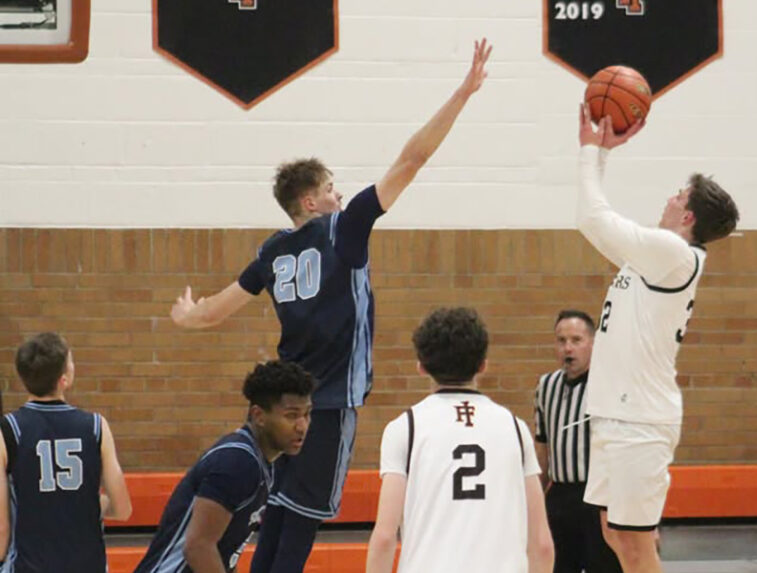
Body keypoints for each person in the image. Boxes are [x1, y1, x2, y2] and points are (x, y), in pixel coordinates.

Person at [168, 38, 493, 573]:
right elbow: (412, 159)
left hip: (279, 404)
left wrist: (187, 315)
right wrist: (462, 93)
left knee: (270, 516)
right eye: (332, 189)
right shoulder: (342, 230)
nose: (340, 196)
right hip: (326, 401)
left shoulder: (271, 251)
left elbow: (215, 311)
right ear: (311, 202)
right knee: (298, 525)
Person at [576, 106, 740, 573]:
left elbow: (591, 217)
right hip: (616, 414)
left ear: (687, 214)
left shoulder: (674, 253)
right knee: (614, 531)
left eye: (677, 195)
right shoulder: (657, 255)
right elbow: (598, 227)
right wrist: (602, 155)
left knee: (635, 542)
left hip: (639, 421)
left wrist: (591, 151)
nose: (668, 199)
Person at [366, 307, 554, 573]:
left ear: (421, 366)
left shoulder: (405, 428)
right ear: (483, 365)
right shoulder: (515, 428)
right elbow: (542, 545)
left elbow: (385, 537)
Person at [134, 360, 313, 573]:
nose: (302, 426)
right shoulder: (237, 462)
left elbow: (223, 553)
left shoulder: (262, 463)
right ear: (259, 416)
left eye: (307, 414)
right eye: (291, 415)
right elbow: (198, 547)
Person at [0, 332, 132, 572]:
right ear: (64, 379)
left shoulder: (8, 430)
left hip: (30, 565)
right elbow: (123, 509)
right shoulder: (96, 426)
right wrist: (96, 504)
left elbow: (1, 530)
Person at [534, 310, 622, 573]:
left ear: (593, 344)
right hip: (560, 496)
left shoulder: (610, 386)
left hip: (599, 498)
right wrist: (535, 505)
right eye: (561, 341)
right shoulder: (546, 386)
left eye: (576, 340)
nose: (567, 348)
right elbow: (542, 449)